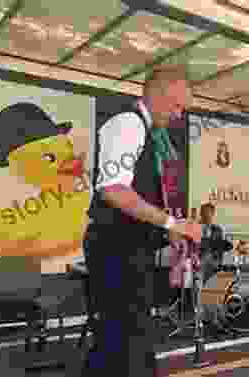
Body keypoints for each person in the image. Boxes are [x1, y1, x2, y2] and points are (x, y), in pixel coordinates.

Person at [83, 66, 203, 377]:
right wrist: (172, 225)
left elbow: (138, 196)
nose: (180, 115)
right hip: (114, 249)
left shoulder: (148, 133)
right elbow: (113, 190)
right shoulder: (126, 124)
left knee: (119, 339)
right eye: (178, 106)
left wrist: (169, 233)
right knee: (126, 338)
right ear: (158, 96)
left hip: (129, 249)